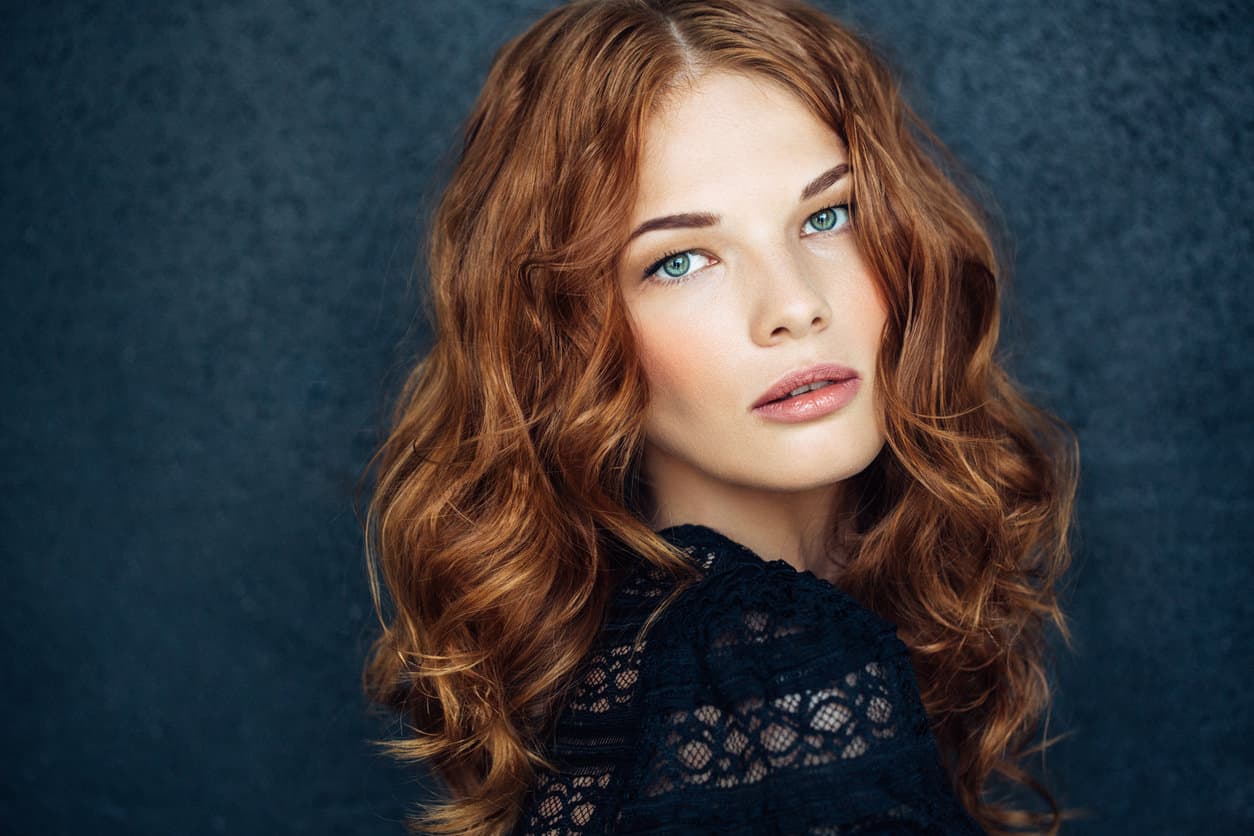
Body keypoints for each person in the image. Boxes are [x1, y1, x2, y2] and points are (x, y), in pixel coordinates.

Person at [357, 1, 1081, 834]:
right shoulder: (764, 655)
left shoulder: (641, 655)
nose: (794, 306)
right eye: (681, 260)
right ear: (564, 336)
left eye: (827, 216)